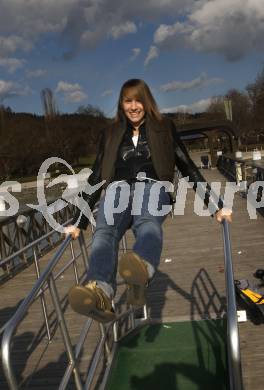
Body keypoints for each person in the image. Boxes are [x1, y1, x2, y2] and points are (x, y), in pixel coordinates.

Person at [64, 78, 232, 323]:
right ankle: (101, 292)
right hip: (118, 189)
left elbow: (186, 166)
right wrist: (79, 220)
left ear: (147, 102)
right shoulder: (110, 133)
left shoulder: (164, 127)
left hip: (153, 186)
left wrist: (215, 205)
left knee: (147, 221)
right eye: (128, 101)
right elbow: (97, 175)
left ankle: (140, 268)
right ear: (121, 104)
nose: (133, 106)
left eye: (138, 100)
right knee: (103, 232)